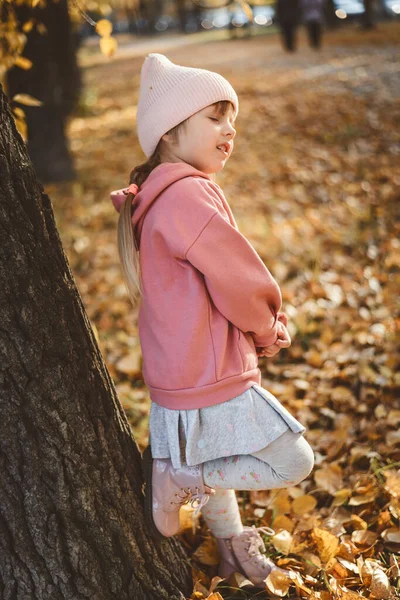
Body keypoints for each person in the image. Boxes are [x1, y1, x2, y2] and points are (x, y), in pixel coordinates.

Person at [110, 53, 314, 587]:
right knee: (295, 460)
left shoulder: (155, 199)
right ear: (171, 133)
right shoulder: (188, 193)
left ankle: (230, 550)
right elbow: (237, 277)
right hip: (209, 373)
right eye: (215, 116)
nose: (231, 129)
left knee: (218, 453)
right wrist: (267, 327)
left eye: (233, 119)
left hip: (177, 378)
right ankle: (181, 476)